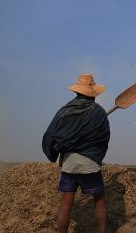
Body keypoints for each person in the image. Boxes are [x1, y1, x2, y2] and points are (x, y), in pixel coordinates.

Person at [42, 73, 110, 233]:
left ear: (77, 92)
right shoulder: (99, 112)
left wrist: (55, 153)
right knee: (100, 199)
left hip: (69, 164)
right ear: (92, 93)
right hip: (90, 164)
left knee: (66, 202)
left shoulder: (65, 110)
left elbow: (51, 134)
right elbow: (104, 137)